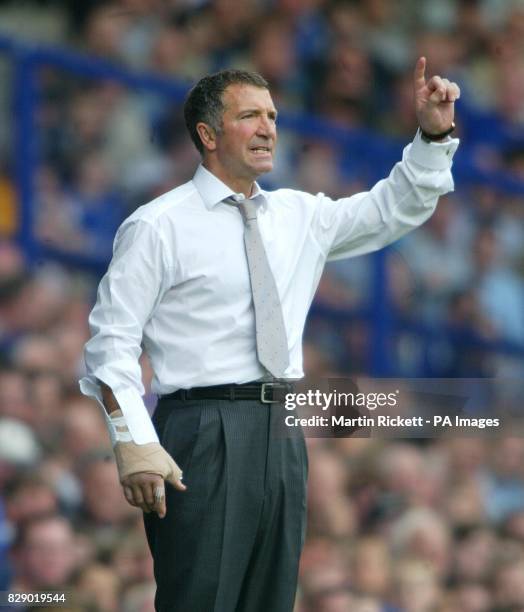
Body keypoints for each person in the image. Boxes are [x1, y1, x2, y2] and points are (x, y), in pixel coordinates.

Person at [80, 58, 460, 612]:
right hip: (201, 430)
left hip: (283, 429)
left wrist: (431, 135)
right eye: (250, 116)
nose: (268, 129)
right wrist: (133, 441)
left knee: (271, 601)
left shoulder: (297, 214)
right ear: (207, 135)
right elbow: (110, 344)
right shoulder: (157, 225)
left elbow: (392, 209)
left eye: (273, 115)